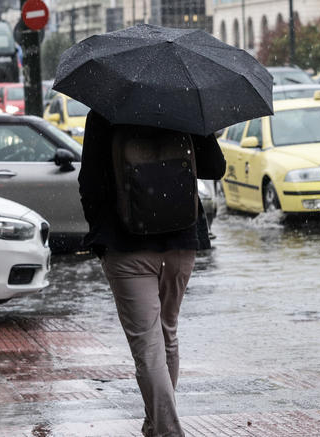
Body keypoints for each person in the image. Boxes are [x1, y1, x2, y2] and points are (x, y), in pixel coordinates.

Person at [78, 110, 226, 437]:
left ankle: (168, 431)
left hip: (125, 244)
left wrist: (101, 231)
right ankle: (154, 424)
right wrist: (205, 129)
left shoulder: (105, 112)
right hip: (182, 240)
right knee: (166, 332)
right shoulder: (184, 106)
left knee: (148, 346)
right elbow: (216, 169)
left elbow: (88, 182)